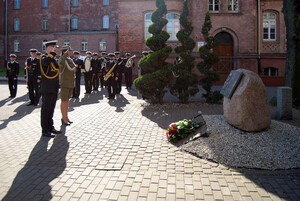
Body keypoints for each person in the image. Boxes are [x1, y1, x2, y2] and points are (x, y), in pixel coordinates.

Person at [40, 40, 61, 137]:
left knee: (51, 109)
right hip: (47, 88)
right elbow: (45, 64)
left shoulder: (52, 58)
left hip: (53, 87)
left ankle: (50, 127)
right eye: (54, 48)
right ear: (48, 49)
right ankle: (45, 130)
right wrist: (51, 54)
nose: (56, 49)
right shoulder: (43, 58)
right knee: (46, 109)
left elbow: (57, 68)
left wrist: (53, 56)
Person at [59, 45, 76, 126]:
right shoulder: (63, 59)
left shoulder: (69, 59)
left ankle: (66, 117)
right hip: (65, 83)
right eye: (69, 51)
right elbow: (61, 63)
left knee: (67, 101)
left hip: (70, 83)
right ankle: (64, 118)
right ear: (65, 51)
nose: (71, 52)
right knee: (63, 100)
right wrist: (64, 54)